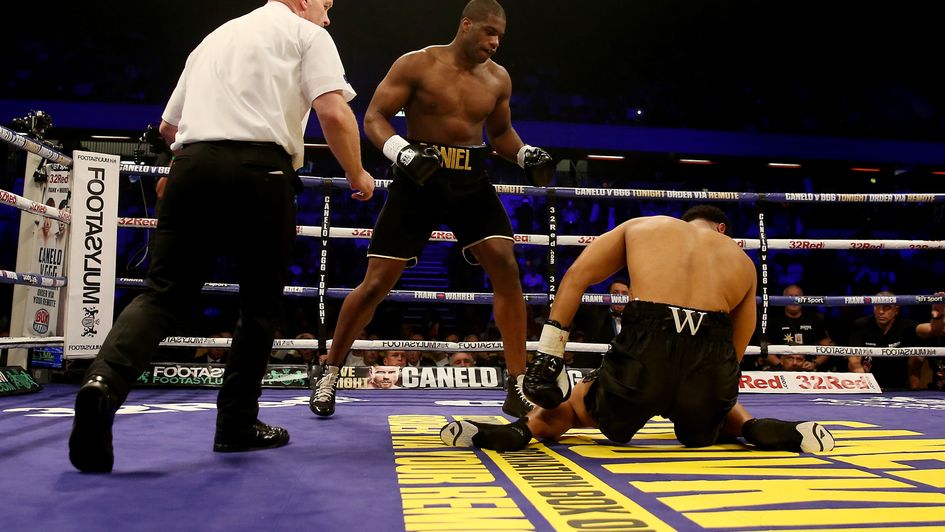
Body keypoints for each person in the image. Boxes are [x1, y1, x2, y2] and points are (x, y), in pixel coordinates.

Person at [68, 0, 375, 473]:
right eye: (326, 4)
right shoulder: (306, 35)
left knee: (162, 294)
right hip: (261, 171)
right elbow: (333, 112)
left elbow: (169, 127)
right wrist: (357, 173)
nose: (329, 16)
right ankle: (236, 425)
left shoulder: (213, 38)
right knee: (259, 304)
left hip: (192, 166)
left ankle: (102, 384)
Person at [309, 0, 554, 419]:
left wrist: (526, 153)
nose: (495, 43)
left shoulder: (499, 79)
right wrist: (401, 152)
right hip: (418, 179)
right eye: (489, 32)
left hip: (471, 180)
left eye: (500, 36)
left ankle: (517, 381)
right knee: (376, 283)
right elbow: (375, 117)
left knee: (505, 264)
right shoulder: (417, 64)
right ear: (466, 25)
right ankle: (329, 372)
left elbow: (500, 134)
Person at [440, 206, 835, 454]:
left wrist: (549, 354)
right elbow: (735, 347)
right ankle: (765, 430)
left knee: (576, 406)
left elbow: (576, 277)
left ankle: (514, 434)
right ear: (721, 228)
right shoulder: (742, 260)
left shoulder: (643, 227)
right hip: (710, 357)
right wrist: (711, 395)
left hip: (648, 344)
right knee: (720, 414)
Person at [846, 291, 944, 389]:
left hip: (899, 388)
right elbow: (854, 359)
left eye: (886, 307)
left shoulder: (906, 326)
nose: (881, 312)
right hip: (867, 385)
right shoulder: (861, 325)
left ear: (896, 310)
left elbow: (933, 330)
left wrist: (937, 314)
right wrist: (866, 384)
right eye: (877, 307)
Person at [757, 284, 834, 371]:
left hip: (808, 368)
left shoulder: (813, 319)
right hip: (779, 368)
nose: (794, 300)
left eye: (797, 296)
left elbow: (827, 345)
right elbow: (764, 347)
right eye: (790, 297)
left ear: (803, 299)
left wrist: (815, 363)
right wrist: (780, 364)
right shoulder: (773, 320)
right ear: (782, 299)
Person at [571, 278, 630, 367]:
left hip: (627, 368)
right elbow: (574, 301)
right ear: (607, 296)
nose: (620, 297)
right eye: (615, 293)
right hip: (598, 367)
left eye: (624, 294)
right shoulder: (595, 314)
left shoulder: (637, 319)